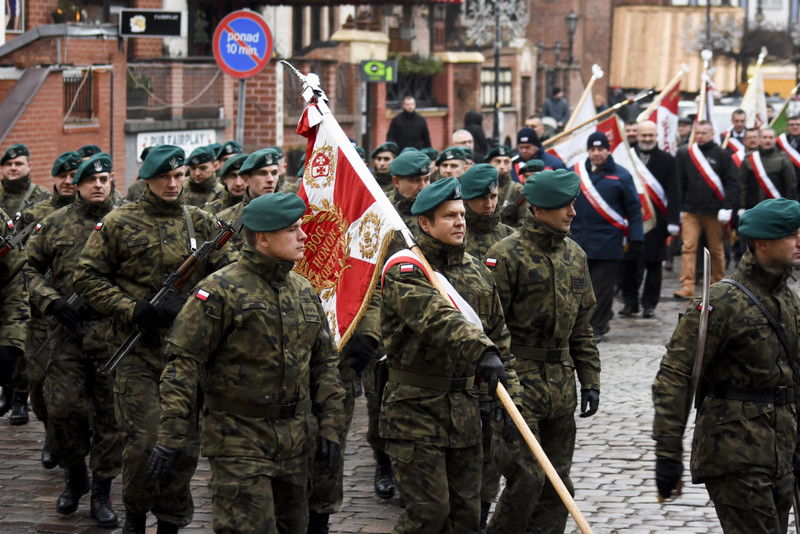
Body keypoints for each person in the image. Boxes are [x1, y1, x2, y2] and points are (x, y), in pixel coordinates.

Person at [147, 192, 346, 534]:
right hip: (238, 438)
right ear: (263, 238)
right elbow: (182, 368)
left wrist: (330, 423)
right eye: (292, 229)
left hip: (295, 439)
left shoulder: (302, 289)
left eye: (301, 227)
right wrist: (171, 437)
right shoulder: (219, 291)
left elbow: (324, 363)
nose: (304, 236)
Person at [74, 144, 235, 534]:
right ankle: (135, 515)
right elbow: (85, 278)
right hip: (136, 352)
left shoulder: (200, 223)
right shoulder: (118, 223)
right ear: (148, 178)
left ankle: (170, 522)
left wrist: (198, 302)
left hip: (187, 355)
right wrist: (131, 308)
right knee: (145, 442)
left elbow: (230, 278)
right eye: (165, 176)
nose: (174, 183)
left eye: (179, 176)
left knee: (180, 446)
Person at [652, 197, 800, 534]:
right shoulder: (721, 302)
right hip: (735, 453)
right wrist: (667, 453)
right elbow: (675, 376)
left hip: (781, 453)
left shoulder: (788, 298)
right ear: (762, 244)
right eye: (792, 235)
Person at [380, 177, 519, 533]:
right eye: (449, 216)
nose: (460, 222)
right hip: (416, 411)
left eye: (461, 214)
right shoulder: (406, 270)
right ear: (425, 223)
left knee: (466, 519)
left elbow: (499, 338)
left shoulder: (476, 271)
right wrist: (482, 351)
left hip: (466, 414)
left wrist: (514, 403)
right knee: (428, 516)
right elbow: (436, 319)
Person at [485, 168, 600, 534]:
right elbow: (488, 328)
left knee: (558, 483)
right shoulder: (505, 256)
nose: (572, 212)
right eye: (563, 205)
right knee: (528, 478)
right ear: (537, 209)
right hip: (518, 385)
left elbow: (582, 326)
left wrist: (590, 379)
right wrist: (496, 390)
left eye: (572, 204)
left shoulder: (575, 256)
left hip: (561, 386)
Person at [25, 153, 123, 527]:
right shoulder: (54, 224)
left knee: (111, 418)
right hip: (67, 333)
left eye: (104, 179)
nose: (98, 185)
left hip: (113, 335)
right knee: (62, 409)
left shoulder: (125, 222)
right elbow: (29, 271)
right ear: (77, 185)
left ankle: (101, 489)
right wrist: (52, 302)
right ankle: (74, 473)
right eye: (89, 180)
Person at [16, 151, 83, 456]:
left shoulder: (103, 214)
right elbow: (21, 266)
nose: (68, 181)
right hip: (43, 313)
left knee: (76, 388)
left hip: (82, 312)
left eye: (74, 175)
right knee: (39, 381)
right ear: (54, 179)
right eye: (63, 176)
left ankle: (74, 445)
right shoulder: (36, 215)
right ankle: (50, 432)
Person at [569, 131, 644, 341]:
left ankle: (599, 326)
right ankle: (581, 325)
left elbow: (634, 210)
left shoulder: (621, 175)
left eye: (600, 149)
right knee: (580, 289)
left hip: (608, 243)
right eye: (592, 149)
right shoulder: (576, 173)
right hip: (580, 242)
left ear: (608, 151)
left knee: (601, 290)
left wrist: (636, 238)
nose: (596, 154)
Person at [620, 121, 681, 318]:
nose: (647, 139)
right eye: (643, 135)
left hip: (658, 221)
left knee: (654, 265)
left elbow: (674, 192)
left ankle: (649, 305)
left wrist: (673, 220)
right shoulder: (626, 157)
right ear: (637, 135)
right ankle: (630, 303)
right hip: (631, 221)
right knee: (629, 265)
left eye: (651, 136)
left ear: (657, 137)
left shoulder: (668, 160)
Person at [673, 120, 738, 299]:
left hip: (714, 211)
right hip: (691, 210)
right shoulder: (685, 154)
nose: (700, 136)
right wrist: (679, 208)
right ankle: (687, 286)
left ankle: (717, 284)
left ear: (711, 134)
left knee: (716, 249)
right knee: (688, 248)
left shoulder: (722, 155)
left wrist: (727, 207)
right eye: (698, 133)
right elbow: (680, 183)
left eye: (703, 133)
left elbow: (732, 182)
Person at [216, 148, 282, 250]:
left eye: (274, 173)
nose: (270, 180)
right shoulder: (226, 219)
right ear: (246, 179)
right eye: (262, 173)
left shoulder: (290, 214)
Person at [738, 127, 796, 211]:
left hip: (777, 208)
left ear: (775, 139)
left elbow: (791, 186)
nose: (767, 141)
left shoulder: (783, 159)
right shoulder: (749, 159)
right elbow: (742, 185)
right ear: (759, 139)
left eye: (771, 138)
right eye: (764, 137)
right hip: (754, 208)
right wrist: (742, 207)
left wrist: (790, 208)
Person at [0, 143, 50, 219]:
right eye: (9, 164)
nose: (13, 168)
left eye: (18, 164)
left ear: (29, 166)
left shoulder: (42, 196)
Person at [485, 145, 527, 228]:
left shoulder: (518, 190)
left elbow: (524, 222)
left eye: (506, 162)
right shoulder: (482, 188)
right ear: (489, 164)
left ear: (511, 165)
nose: (502, 166)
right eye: (497, 161)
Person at [776, 115, 800, 187]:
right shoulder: (780, 142)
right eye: (792, 125)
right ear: (787, 127)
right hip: (785, 182)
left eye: (798, 124)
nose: (795, 127)